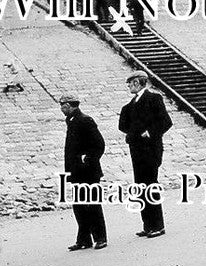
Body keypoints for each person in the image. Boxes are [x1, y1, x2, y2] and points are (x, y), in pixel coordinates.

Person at [118, 72, 172, 237]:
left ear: (137, 82)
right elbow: (123, 125)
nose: (128, 86)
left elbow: (165, 122)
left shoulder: (154, 99)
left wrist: (150, 132)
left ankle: (158, 225)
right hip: (137, 151)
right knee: (141, 187)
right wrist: (132, 134)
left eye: (130, 83)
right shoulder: (130, 105)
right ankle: (148, 225)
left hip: (150, 150)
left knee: (150, 186)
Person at [60, 94, 107, 251]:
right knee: (79, 206)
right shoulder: (71, 121)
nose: (61, 108)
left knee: (93, 205)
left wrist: (87, 158)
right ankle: (84, 239)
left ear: (72, 105)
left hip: (88, 172)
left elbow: (99, 144)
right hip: (76, 172)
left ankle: (100, 238)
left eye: (64, 105)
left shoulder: (85, 120)